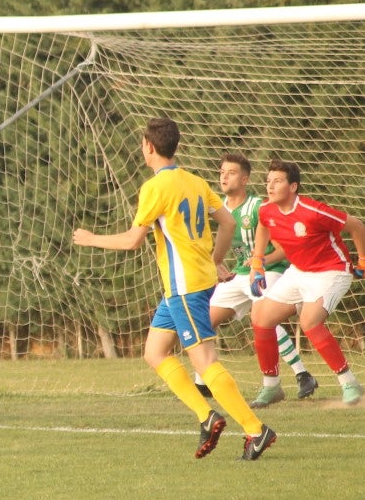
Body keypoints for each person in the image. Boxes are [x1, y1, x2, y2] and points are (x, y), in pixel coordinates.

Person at [73, 118, 275, 460]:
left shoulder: (155, 188)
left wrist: (91, 239)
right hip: (186, 284)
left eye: (142, 144)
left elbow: (133, 240)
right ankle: (207, 416)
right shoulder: (194, 181)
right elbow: (226, 222)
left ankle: (256, 429)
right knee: (154, 352)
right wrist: (215, 259)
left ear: (149, 147)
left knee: (205, 361)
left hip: (186, 287)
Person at [193, 153, 318, 406]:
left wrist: (260, 263)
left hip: (269, 270)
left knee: (263, 318)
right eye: (221, 172)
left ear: (245, 178)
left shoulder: (259, 207)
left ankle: (302, 374)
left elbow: (283, 249)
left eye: (231, 172)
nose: (224, 176)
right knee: (202, 320)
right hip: (240, 275)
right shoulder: (220, 210)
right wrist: (218, 265)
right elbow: (216, 247)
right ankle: (202, 383)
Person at [249, 159, 365, 406]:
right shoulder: (267, 210)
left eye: (277, 181)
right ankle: (272, 387)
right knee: (260, 316)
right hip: (299, 270)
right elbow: (262, 226)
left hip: (332, 271)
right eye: (268, 181)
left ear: (293, 187)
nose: (270, 186)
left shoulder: (312, 211)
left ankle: (349, 382)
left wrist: (362, 260)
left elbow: (356, 225)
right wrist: (257, 262)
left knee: (309, 321)